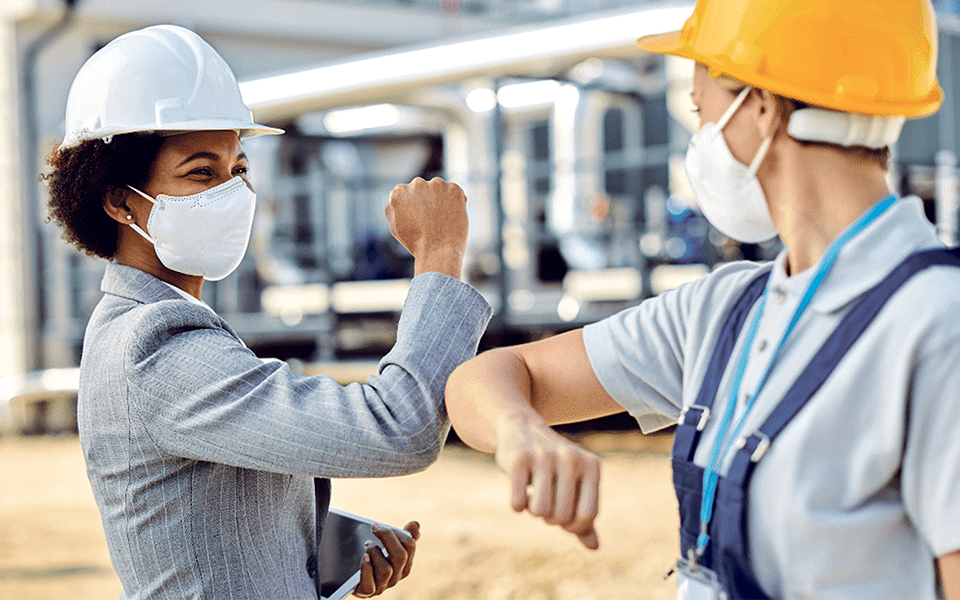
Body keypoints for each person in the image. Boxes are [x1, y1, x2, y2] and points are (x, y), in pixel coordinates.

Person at [444, 0, 960, 598]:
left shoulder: (936, 325)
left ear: (762, 108)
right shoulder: (725, 311)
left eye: (700, 110)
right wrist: (519, 430)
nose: (699, 138)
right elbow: (485, 379)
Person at [43, 25, 492, 599]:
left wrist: (331, 550)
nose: (230, 192)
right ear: (119, 199)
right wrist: (440, 252)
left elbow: (196, 520)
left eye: (239, 170)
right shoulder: (152, 346)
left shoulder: (157, 325)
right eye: (201, 172)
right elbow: (399, 428)